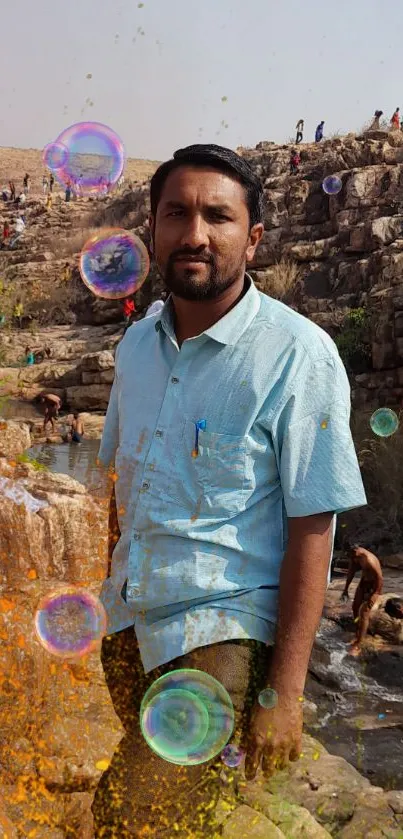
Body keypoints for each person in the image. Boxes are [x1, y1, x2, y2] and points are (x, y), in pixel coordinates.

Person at [91, 142, 367, 838]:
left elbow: (313, 523)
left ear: (254, 238)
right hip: (130, 624)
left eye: (218, 215)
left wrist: (286, 690)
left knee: (131, 814)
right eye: (175, 213)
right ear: (151, 229)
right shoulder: (135, 347)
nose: (194, 233)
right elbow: (121, 481)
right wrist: (107, 586)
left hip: (222, 631)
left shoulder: (297, 354)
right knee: (180, 813)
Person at [341, 543, 383, 656]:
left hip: (374, 586)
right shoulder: (354, 557)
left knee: (364, 612)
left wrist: (376, 593)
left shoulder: (369, 560)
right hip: (363, 583)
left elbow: (379, 578)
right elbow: (351, 572)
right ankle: (358, 632)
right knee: (355, 607)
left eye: (349, 555)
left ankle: (360, 643)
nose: (350, 558)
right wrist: (345, 589)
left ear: (355, 551)